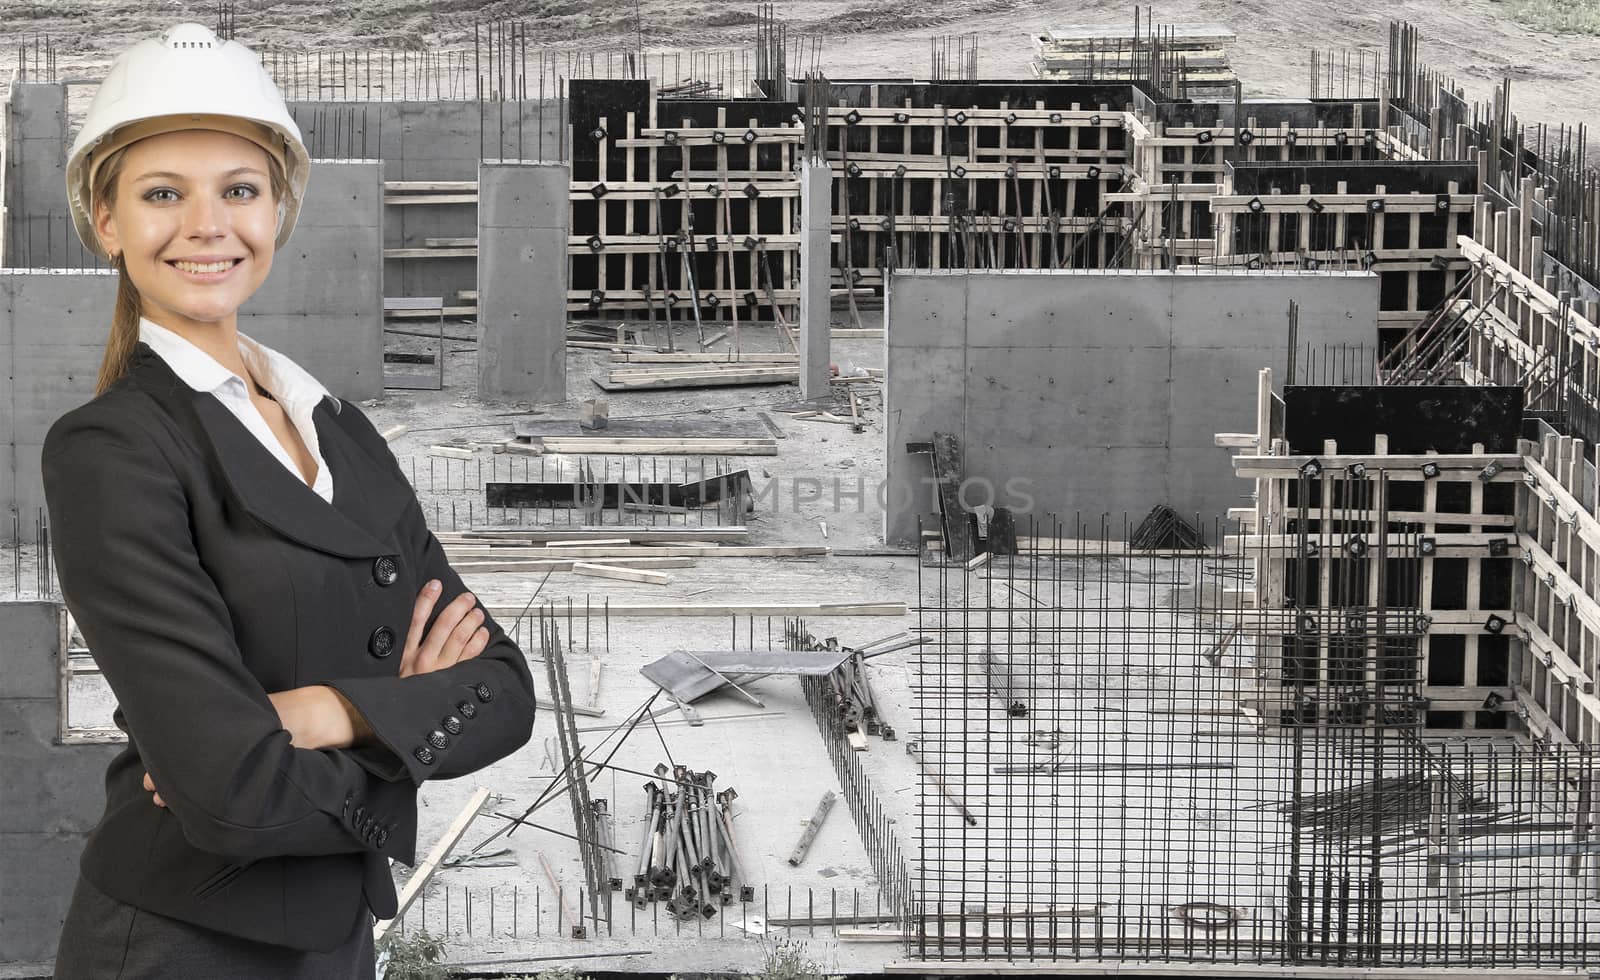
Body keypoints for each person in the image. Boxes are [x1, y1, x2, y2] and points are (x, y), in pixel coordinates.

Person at [43, 22, 538, 978]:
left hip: (334, 939)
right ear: (107, 222)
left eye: (239, 189)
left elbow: (505, 691)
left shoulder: (335, 425)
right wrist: (399, 718)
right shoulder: (113, 450)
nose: (207, 224)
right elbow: (230, 794)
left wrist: (320, 712)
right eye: (161, 195)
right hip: (180, 944)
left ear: (279, 211)